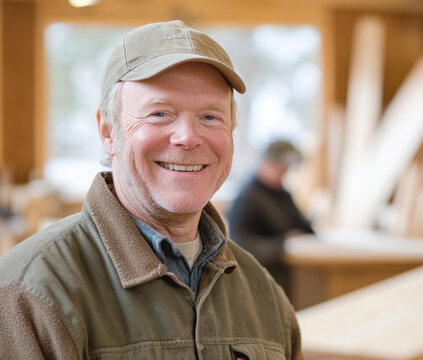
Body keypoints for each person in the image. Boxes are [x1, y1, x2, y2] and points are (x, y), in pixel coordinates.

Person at [0, 20, 302, 359]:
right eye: (159, 113)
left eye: (210, 117)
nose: (187, 136)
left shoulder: (265, 296)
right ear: (108, 131)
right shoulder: (30, 293)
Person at [227, 140, 314, 297]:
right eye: (280, 169)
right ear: (266, 162)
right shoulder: (248, 197)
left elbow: (301, 225)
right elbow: (240, 244)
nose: (284, 174)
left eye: (286, 170)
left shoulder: (282, 194)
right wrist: (281, 244)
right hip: (259, 281)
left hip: (285, 275)